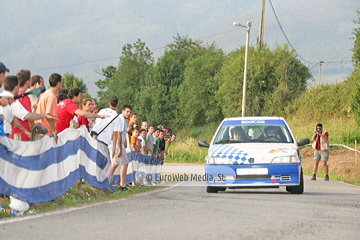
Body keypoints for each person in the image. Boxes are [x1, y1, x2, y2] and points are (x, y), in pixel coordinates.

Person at [35, 73, 62, 143]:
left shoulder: (45, 94)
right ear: (59, 83)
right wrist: (54, 132)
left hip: (39, 129)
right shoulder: (52, 97)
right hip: (46, 132)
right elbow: (48, 116)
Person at [10, 70, 33, 141]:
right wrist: (32, 131)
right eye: (30, 79)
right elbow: (29, 118)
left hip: (13, 133)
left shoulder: (13, 96)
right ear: (27, 82)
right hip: (23, 135)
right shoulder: (24, 98)